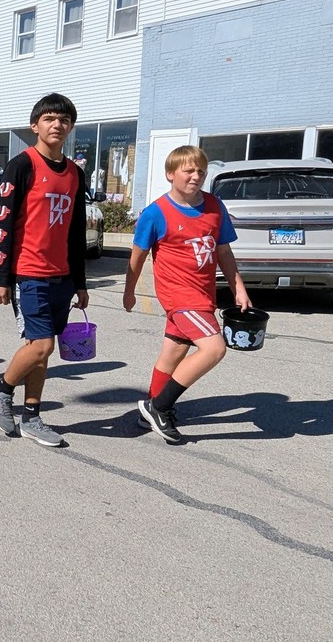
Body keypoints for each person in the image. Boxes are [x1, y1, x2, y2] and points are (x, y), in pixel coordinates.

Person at [124, 145, 252, 443]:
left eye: (201, 172)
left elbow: (223, 251)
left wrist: (239, 288)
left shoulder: (214, 206)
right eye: (188, 171)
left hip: (204, 295)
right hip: (179, 297)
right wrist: (130, 292)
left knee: (173, 353)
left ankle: (149, 412)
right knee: (214, 349)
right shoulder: (156, 213)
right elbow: (137, 256)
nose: (196, 176)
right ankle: (160, 406)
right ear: (171, 174)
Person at [0, 93, 88, 448]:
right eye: (49, 119)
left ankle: (32, 417)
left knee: (41, 348)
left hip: (62, 276)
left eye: (64, 120)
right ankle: (0, 388)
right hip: (28, 273)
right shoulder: (21, 165)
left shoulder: (75, 173)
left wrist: (81, 283)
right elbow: (2, 223)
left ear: (70, 127)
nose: (57, 124)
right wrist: (0, 277)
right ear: (35, 126)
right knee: (41, 345)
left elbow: (77, 230)